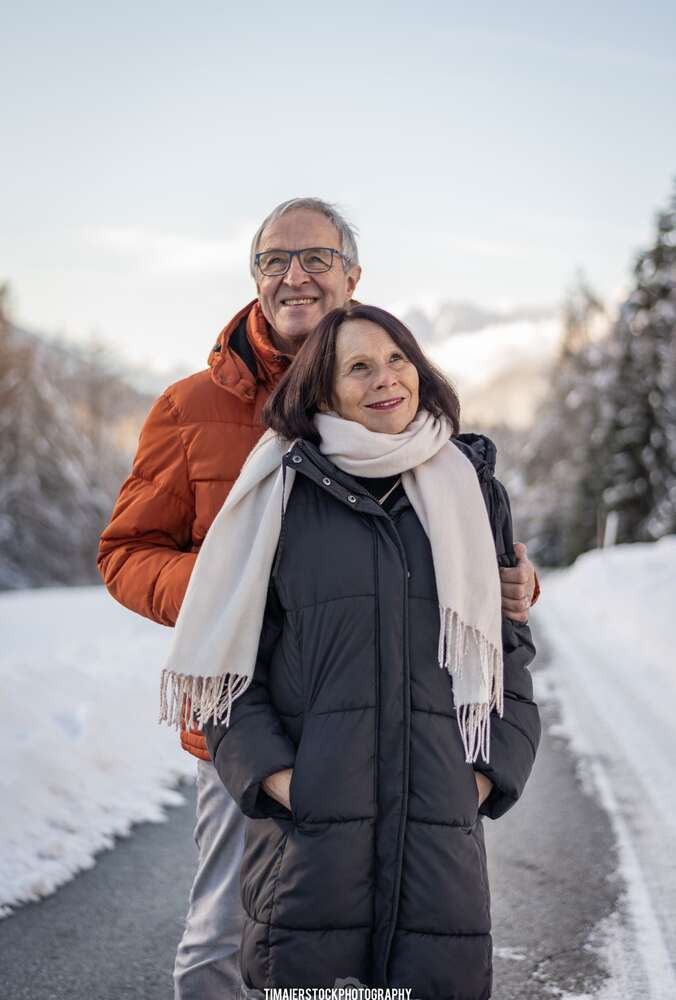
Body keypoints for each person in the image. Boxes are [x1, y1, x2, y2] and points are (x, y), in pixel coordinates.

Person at [97, 199, 540, 999]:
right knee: (222, 946)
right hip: (257, 731)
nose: (294, 276)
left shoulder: (400, 414)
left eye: (316, 259)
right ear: (255, 277)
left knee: (405, 952)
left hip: (407, 747)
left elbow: (468, 564)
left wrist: (510, 580)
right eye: (274, 261)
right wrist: (230, 591)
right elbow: (124, 551)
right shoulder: (192, 408)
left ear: (351, 275)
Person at [187, 303, 540, 997]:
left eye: (397, 358)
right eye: (359, 366)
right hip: (308, 843)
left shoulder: (471, 489)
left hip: (439, 833)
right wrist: (279, 782)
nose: (386, 379)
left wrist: (484, 776)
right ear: (324, 390)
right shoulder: (279, 491)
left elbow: (509, 653)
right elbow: (227, 670)